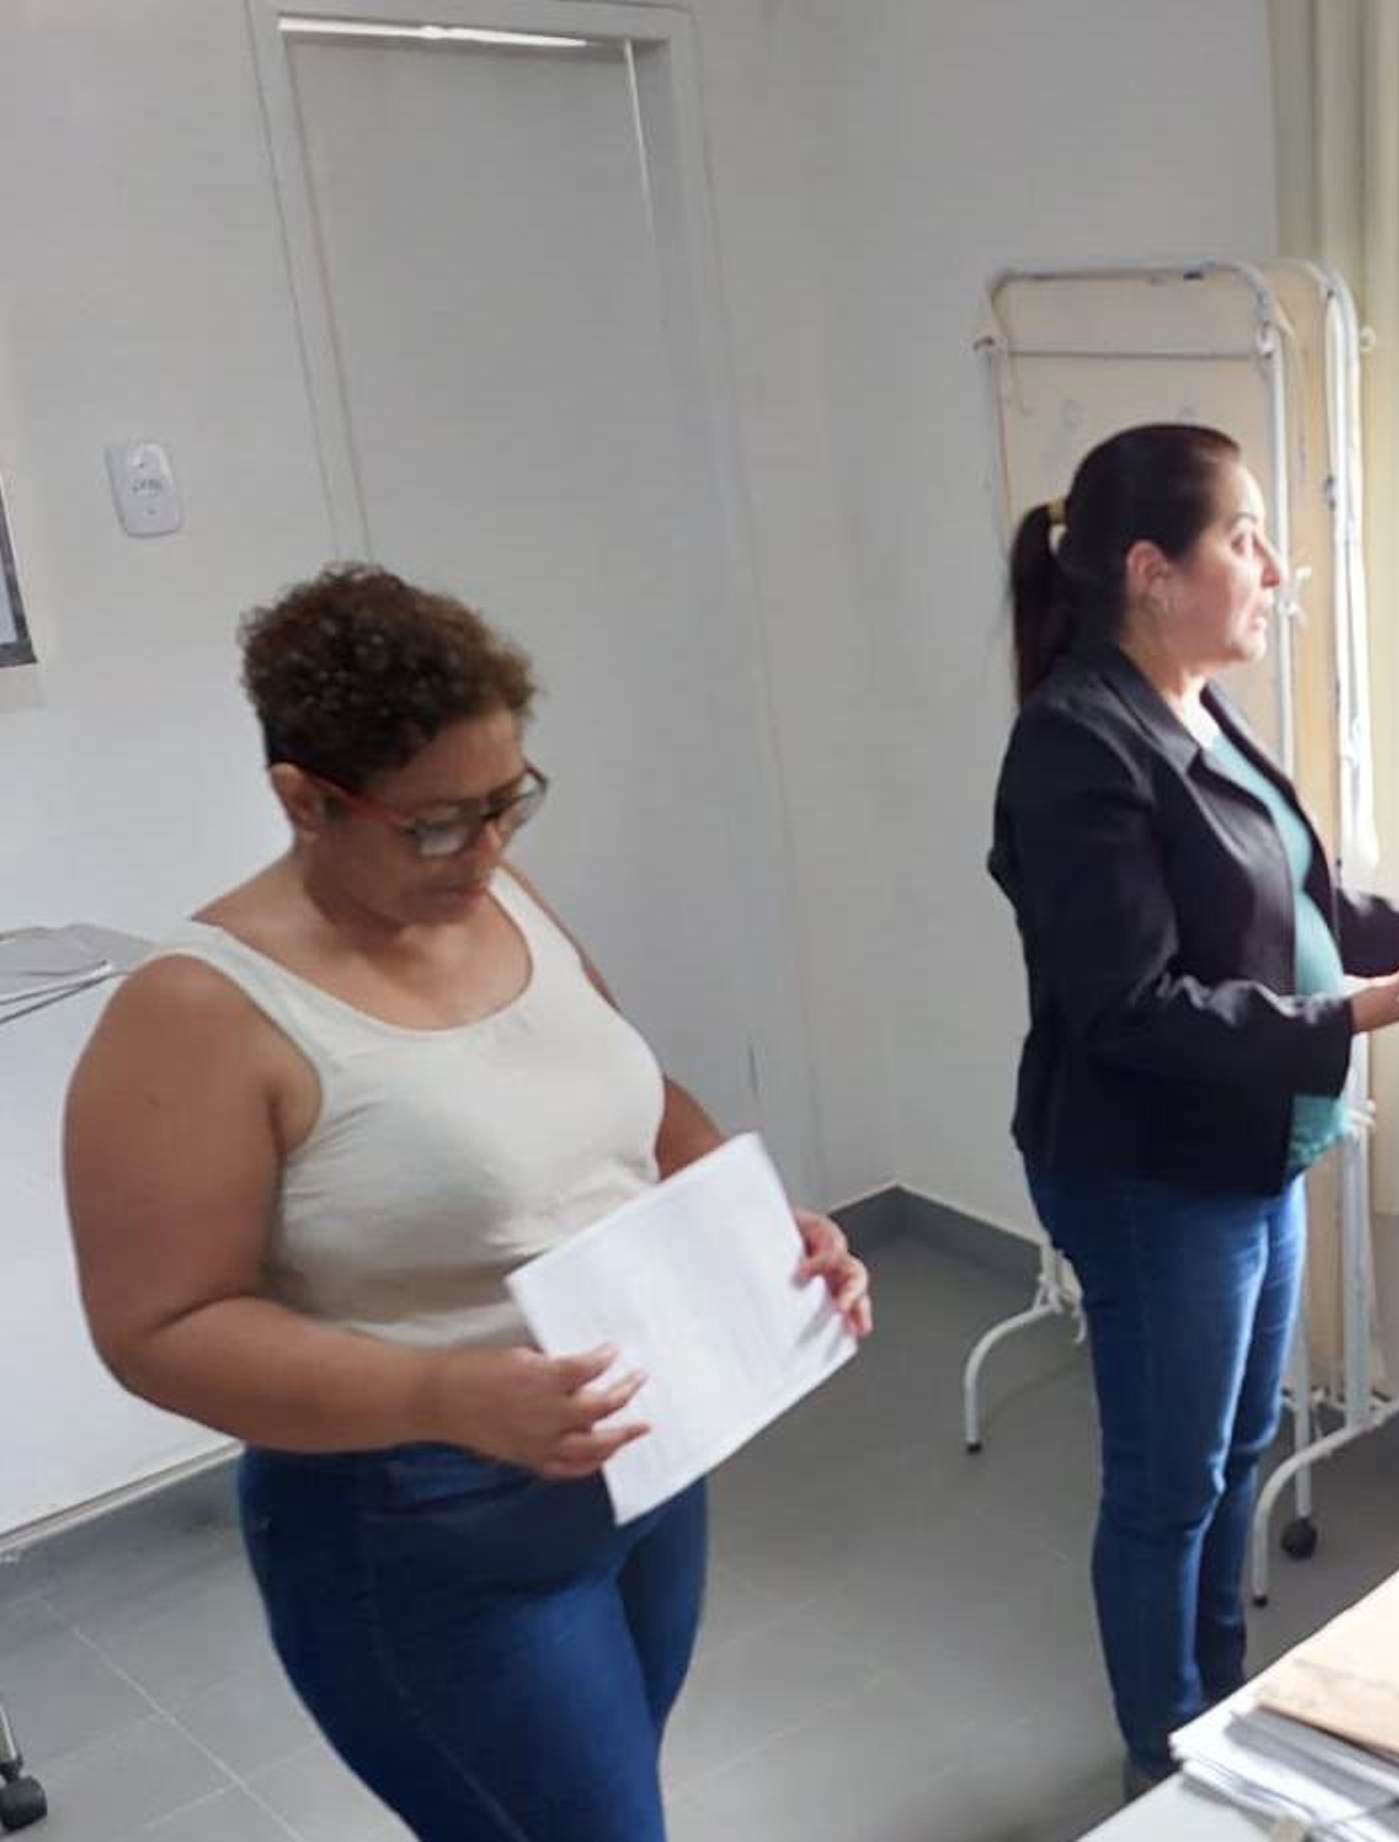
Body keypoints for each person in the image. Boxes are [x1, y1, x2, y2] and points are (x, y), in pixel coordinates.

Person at [62, 565, 872, 1842]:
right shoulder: (199, 1013)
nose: (486, 851)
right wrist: (443, 1396)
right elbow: (156, 1329)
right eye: (438, 824)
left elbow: (630, 1092)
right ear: (304, 799)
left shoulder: (498, 898)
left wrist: (752, 1220)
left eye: (507, 804)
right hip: (422, 1524)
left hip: (640, 1461)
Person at [988, 422, 1399, 1789]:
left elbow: (1291, 894)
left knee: (1238, 1448)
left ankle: (1216, 1715)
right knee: (1166, 1488)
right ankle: (1164, 1761)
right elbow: (1128, 1009)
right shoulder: (1074, 744)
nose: (1274, 567)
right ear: (1151, 569)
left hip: (1247, 1150)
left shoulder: (1190, 702)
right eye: (1243, 539)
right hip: (1144, 1171)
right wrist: (1342, 1019)